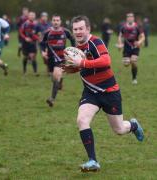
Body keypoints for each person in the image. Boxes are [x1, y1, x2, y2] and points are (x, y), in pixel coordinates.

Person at [63, 15, 144, 172]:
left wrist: (82, 63)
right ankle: (93, 160)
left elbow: (106, 61)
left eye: (81, 28)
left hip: (109, 92)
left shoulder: (95, 42)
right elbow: (81, 66)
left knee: (119, 130)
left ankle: (133, 125)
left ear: (88, 29)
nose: (78, 32)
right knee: (82, 120)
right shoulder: (75, 48)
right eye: (75, 29)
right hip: (90, 92)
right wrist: (71, 67)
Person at [40, 14, 75, 107]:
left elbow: (72, 39)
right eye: (54, 20)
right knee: (54, 78)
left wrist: (72, 51)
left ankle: (52, 99)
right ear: (52, 21)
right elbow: (42, 43)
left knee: (56, 75)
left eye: (57, 20)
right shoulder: (48, 32)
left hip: (60, 58)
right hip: (50, 58)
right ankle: (60, 80)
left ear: (60, 22)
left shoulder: (65, 31)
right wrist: (43, 52)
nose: (56, 22)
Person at [117, 13, 145, 84]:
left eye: (131, 17)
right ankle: (129, 63)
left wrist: (139, 42)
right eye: (128, 17)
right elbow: (120, 36)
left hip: (135, 47)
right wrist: (120, 44)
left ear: (133, 18)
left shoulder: (137, 27)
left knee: (133, 61)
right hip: (126, 48)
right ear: (127, 18)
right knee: (126, 64)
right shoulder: (123, 27)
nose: (130, 18)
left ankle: (134, 78)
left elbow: (143, 36)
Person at [19, 11, 39, 76]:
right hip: (25, 43)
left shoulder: (36, 24)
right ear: (28, 16)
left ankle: (35, 72)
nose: (32, 16)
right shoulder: (25, 24)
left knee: (33, 57)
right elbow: (21, 32)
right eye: (30, 15)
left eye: (33, 15)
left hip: (33, 43)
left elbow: (38, 33)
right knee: (26, 57)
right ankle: (24, 71)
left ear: (35, 16)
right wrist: (25, 38)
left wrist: (38, 38)